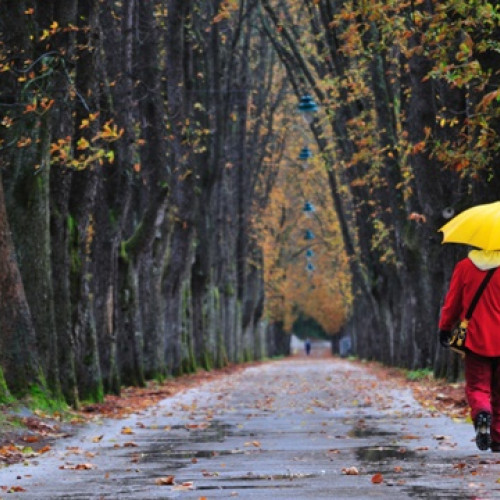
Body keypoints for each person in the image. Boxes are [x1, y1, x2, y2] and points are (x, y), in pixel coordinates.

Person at [439, 249, 500, 452]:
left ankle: (482, 412)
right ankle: (498, 437)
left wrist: (445, 327)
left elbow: (453, 301)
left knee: (477, 387)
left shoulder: (465, 267)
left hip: (476, 338)